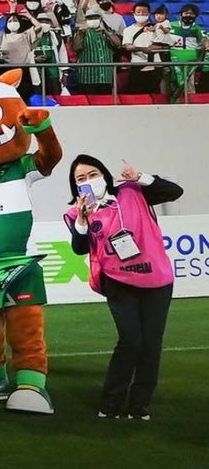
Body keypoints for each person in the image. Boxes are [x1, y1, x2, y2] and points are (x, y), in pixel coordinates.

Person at [65, 156, 182, 420]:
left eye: (93, 174)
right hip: (117, 282)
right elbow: (79, 248)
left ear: (105, 175)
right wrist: (82, 220)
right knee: (130, 341)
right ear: (75, 186)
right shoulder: (77, 212)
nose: (88, 181)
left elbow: (175, 192)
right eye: (81, 179)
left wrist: (141, 177)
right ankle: (111, 402)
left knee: (151, 344)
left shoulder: (132, 192)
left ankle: (139, 404)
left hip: (157, 280)